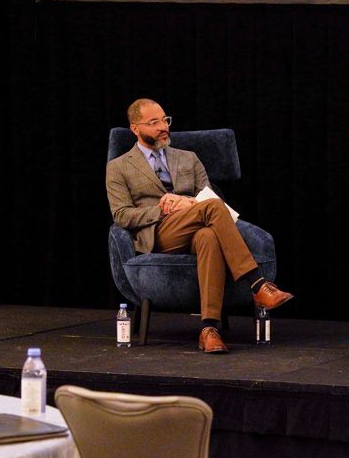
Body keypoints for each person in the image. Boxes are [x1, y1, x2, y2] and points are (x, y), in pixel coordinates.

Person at [105, 98, 293, 354]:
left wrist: (187, 203)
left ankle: (209, 329)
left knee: (208, 236)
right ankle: (257, 284)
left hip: (196, 225)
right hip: (159, 232)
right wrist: (162, 208)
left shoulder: (188, 158)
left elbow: (209, 199)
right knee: (213, 207)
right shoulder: (118, 167)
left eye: (165, 120)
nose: (163, 127)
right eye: (154, 122)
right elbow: (121, 215)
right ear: (135, 128)